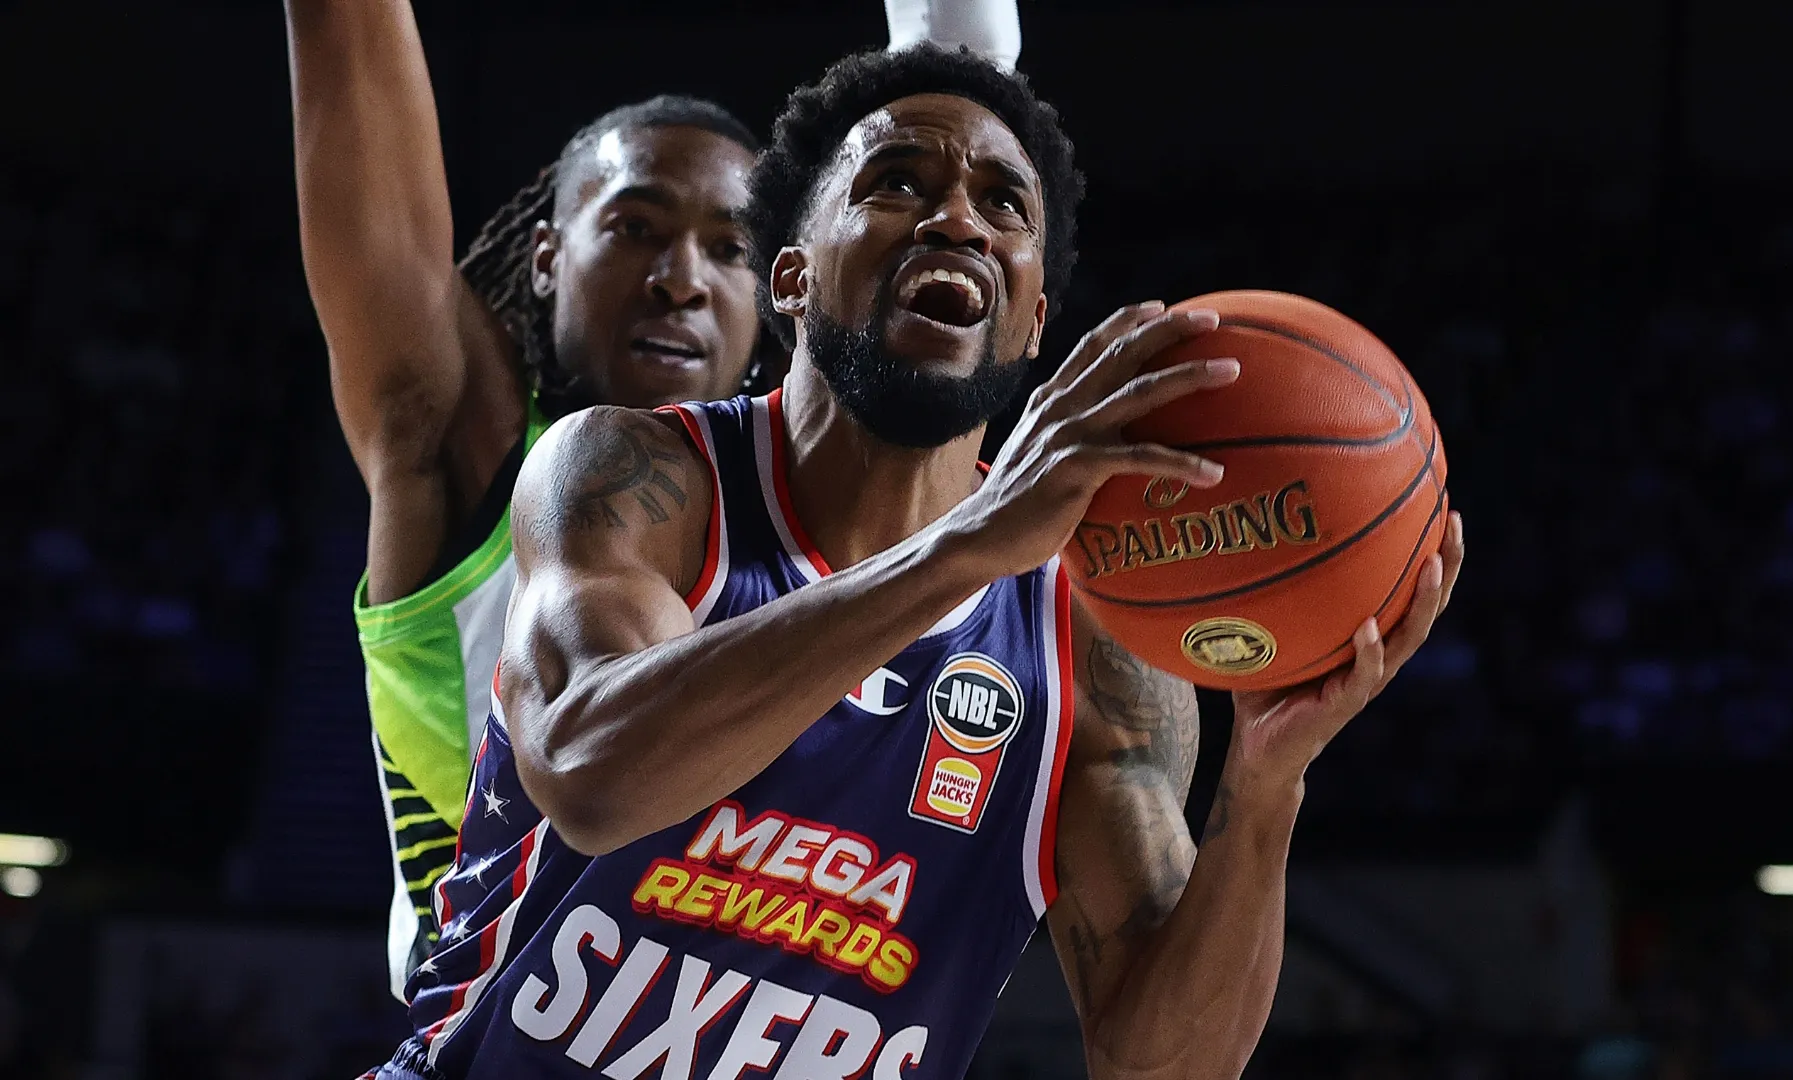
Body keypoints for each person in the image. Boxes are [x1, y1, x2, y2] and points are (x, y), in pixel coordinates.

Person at [376, 43, 1465, 1080]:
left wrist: (1265, 788)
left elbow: (1162, 1063)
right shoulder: (639, 476)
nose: (957, 219)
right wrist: (962, 551)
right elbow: (594, 779)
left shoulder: (1085, 635)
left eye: (1005, 204)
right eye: (896, 182)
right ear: (792, 275)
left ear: (1033, 320)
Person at [284, 0, 1029, 998]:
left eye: (730, 249)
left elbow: (944, 201)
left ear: (786, 284)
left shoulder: (842, 489)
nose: (681, 280)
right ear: (548, 258)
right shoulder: (458, 438)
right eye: (635, 228)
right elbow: (347, 49)